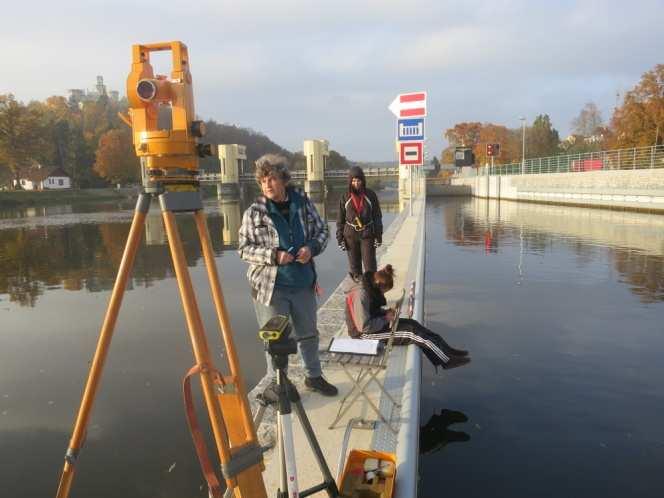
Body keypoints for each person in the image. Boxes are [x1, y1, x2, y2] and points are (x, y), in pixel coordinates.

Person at [239, 154, 338, 396]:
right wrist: (274, 256)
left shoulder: (302, 204)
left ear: (283, 179)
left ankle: (313, 377)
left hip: (303, 283)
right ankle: (279, 384)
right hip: (271, 288)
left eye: (272, 178)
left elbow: (323, 230)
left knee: (309, 334)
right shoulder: (254, 212)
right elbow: (243, 249)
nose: (268, 185)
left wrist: (311, 248)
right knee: (275, 340)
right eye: (263, 181)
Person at [343, 265, 470, 370]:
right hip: (362, 335)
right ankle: (446, 361)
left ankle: (447, 351)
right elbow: (364, 327)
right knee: (411, 333)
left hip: (372, 326)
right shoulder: (361, 294)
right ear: (378, 285)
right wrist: (386, 319)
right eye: (383, 292)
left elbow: (370, 311)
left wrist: (385, 313)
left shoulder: (368, 286)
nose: (382, 294)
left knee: (413, 323)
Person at [337, 166, 383, 280]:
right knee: (355, 269)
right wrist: (340, 239)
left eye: (358, 180)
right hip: (350, 236)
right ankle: (358, 295)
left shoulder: (370, 195)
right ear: (350, 181)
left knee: (370, 268)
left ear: (362, 180)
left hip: (367, 234)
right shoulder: (345, 197)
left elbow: (377, 216)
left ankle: (371, 295)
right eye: (353, 181)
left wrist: (378, 235)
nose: (356, 183)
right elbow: (340, 220)